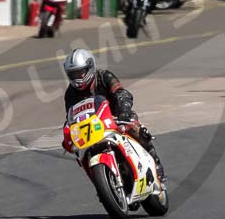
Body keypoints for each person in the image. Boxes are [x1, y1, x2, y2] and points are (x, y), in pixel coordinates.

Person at [62, 49, 166, 181]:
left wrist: (124, 110)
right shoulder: (70, 94)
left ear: (90, 67)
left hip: (116, 117)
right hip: (92, 128)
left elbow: (121, 92)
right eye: (73, 74)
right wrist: (68, 136)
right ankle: (99, 183)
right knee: (81, 155)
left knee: (135, 128)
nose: (77, 77)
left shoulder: (104, 76)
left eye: (80, 72)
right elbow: (71, 117)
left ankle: (155, 162)